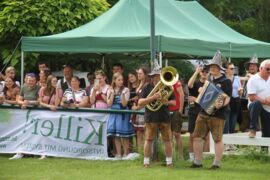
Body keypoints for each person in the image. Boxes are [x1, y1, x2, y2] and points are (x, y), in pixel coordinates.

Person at [191, 51, 232, 169]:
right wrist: (200, 93)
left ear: (220, 68)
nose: (212, 69)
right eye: (211, 67)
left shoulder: (226, 81)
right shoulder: (210, 81)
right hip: (203, 112)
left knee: (217, 139)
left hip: (218, 114)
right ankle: (197, 162)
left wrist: (221, 104)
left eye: (215, 67)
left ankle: (216, 164)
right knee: (197, 136)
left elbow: (228, 98)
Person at [138, 65, 176, 168]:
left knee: (167, 140)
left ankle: (169, 162)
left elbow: (174, 102)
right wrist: (153, 97)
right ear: (151, 76)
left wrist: (166, 102)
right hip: (151, 117)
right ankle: (146, 162)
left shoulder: (168, 87)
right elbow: (140, 102)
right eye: (154, 75)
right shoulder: (147, 87)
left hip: (164, 117)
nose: (156, 77)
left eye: (158, 75)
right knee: (149, 140)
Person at [10, 73, 40, 160]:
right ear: (26, 80)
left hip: (35, 114)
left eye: (32, 81)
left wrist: (28, 103)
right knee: (22, 132)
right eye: (29, 80)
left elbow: (39, 101)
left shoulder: (39, 88)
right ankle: (20, 152)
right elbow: (18, 99)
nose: (30, 82)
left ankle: (30, 152)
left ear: (35, 81)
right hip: (24, 114)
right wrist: (23, 103)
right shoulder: (23, 87)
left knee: (33, 134)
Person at [107, 73, 134, 159]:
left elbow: (124, 103)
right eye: (119, 80)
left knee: (124, 135)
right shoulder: (110, 89)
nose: (121, 82)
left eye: (122, 80)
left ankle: (126, 153)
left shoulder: (126, 89)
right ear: (114, 80)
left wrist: (122, 94)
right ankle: (118, 154)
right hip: (113, 113)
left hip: (122, 113)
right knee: (116, 135)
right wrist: (112, 94)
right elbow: (109, 104)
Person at [187, 65, 209, 162]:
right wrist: (196, 71)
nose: (204, 73)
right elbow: (189, 85)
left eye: (206, 72)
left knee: (205, 136)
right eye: (203, 71)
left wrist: (196, 99)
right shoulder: (196, 82)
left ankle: (204, 155)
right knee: (192, 135)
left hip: (205, 112)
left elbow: (210, 101)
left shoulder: (210, 85)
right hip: (194, 112)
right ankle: (192, 156)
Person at [247, 59, 270, 139]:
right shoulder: (253, 79)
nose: (269, 71)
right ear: (260, 69)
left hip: (267, 107)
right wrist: (266, 101)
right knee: (257, 103)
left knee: (267, 133)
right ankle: (253, 129)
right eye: (267, 69)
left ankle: (263, 151)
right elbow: (252, 97)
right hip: (255, 106)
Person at [131, 67, 149, 150]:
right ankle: (140, 151)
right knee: (138, 132)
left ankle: (146, 152)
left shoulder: (147, 85)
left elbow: (147, 100)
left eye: (140, 73)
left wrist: (137, 107)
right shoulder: (139, 84)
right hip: (138, 110)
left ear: (145, 74)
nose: (138, 75)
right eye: (138, 73)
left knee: (145, 131)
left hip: (144, 109)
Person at [224, 63, 243, 134]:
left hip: (235, 101)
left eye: (234, 68)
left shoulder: (237, 78)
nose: (233, 70)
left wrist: (240, 91)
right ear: (226, 70)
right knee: (226, 123)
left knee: (233, 122)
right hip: (226, 102)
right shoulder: (223, 79)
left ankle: (231, 143)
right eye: (231, 68)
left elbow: (240, 92)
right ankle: (225, 142)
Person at [168, 79, 184, 159]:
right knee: (169, 135)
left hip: (176, 110)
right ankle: (171, 155)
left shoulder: (176, 82)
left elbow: (182, 94)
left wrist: (180, 109)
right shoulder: (164, 83)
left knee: (177, 134)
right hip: (167, 110)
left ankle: (181, 156)